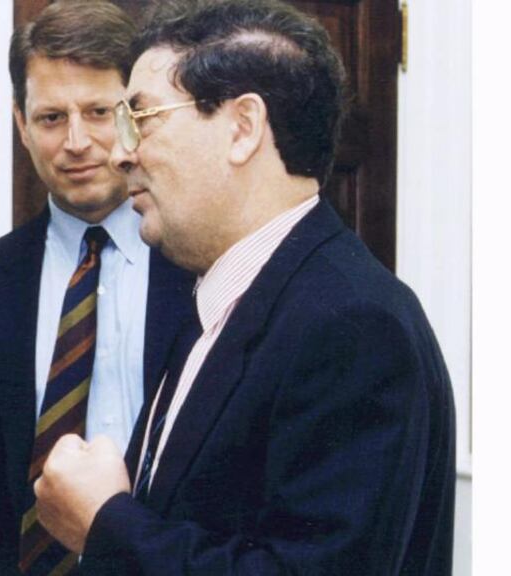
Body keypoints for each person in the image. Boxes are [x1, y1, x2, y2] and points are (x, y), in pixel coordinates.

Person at [32, 1, 456, 574]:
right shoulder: (220, 295)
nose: (119, 152)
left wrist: (105, 522)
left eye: (143, 117)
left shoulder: (354, 324)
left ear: (242, 128)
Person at [0, 2, 196, 574]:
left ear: (134, 118)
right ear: (20, 123)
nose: (76, 142)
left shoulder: (203, 276)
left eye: (97, 112)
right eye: (50, 118)